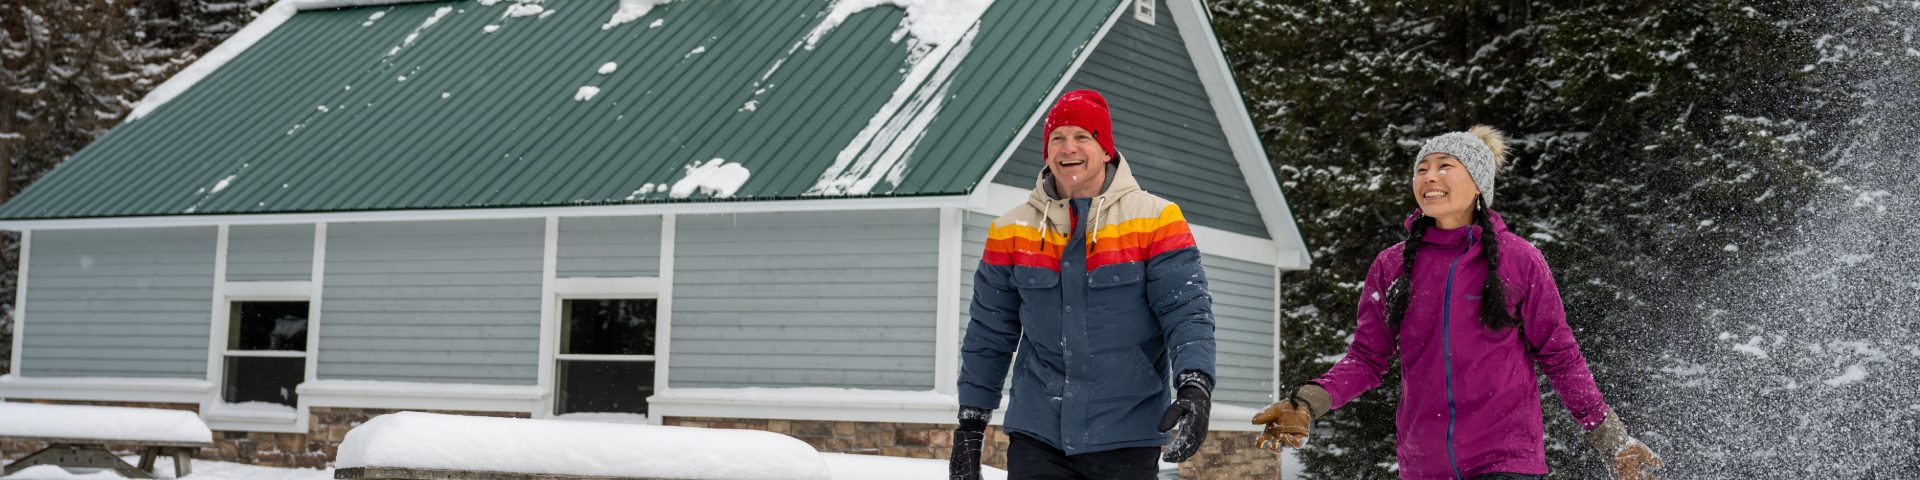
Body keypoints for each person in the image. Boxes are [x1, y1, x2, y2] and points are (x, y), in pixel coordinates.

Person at [1250, 126, 1665, 480]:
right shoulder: (1392, 265)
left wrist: (1612, 440)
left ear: (1478, 182)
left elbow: (1560, 354)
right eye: (1421, 168)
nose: (1429, 176)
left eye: (1444, 166)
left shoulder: (1519, 260)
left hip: (1507, 458)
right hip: (1423, 462)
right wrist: (1307, 403)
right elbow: (1367, 358)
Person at [947, 90, 1217, 480]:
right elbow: (990, 332)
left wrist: (1195, 384)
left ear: (1105, 149)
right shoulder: (1011, 229)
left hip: (1126, 432)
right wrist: (970, 425)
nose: (1067, 148)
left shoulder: (1156, 219)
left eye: (1082, 137)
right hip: (1038, 433)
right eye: (1057, 138)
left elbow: (1187, 312)